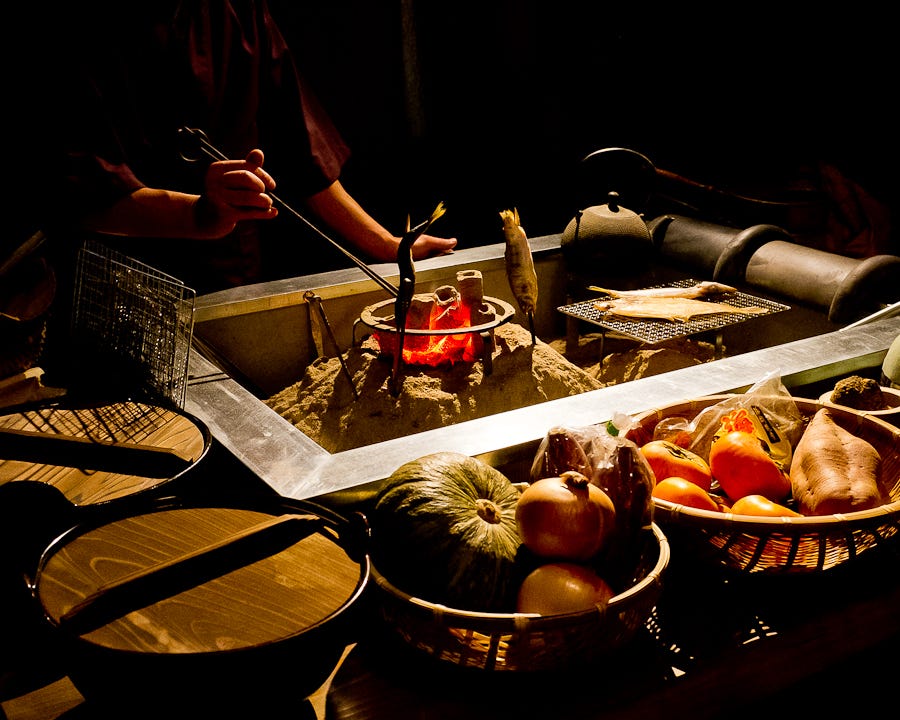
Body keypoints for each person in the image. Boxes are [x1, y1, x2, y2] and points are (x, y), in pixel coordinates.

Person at [35, 1, 456, 296]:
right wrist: (202, 214)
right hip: (123, 286)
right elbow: (84, 193)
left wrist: (387, 245)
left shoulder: (237, 7)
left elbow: (304, 154)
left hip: (232, 278)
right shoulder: (88, 30)